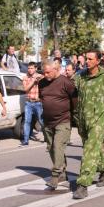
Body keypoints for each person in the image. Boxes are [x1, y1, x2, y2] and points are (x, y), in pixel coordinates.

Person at [73, 50, 104, 199]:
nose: (87, 61)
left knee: (89, 151)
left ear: (98, 61)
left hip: (98, 121)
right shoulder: (81, 77)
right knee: (94, 150)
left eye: (90, 59)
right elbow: (73, 92)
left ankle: (83, 184)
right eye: (86, 58)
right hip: (83, 120)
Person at [38, 61, 75, 189]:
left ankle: (55, 175)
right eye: (44, 72)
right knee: (51, 148)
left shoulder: (66, 82)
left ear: (56, 70)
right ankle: (62, 173)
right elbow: (42, 99)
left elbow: (75, 100)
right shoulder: (42, 83)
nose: (45, 74)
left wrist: (74, 118)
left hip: (63, 121)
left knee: (57, 146)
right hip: (47, 122)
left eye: (48, 72)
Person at [21, 62, 44, 146]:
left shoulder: (40, 76)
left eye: (32, 68)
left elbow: (45, 82)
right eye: (29, 68)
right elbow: (26, 89)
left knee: (41, 121)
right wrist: (33, 81)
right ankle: (26, 140)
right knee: (27, 121)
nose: (30, 70)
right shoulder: (25, 77)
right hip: (29, 102)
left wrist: (39, 79)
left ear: (35, 69)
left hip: (38, 102)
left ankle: (47, 136)